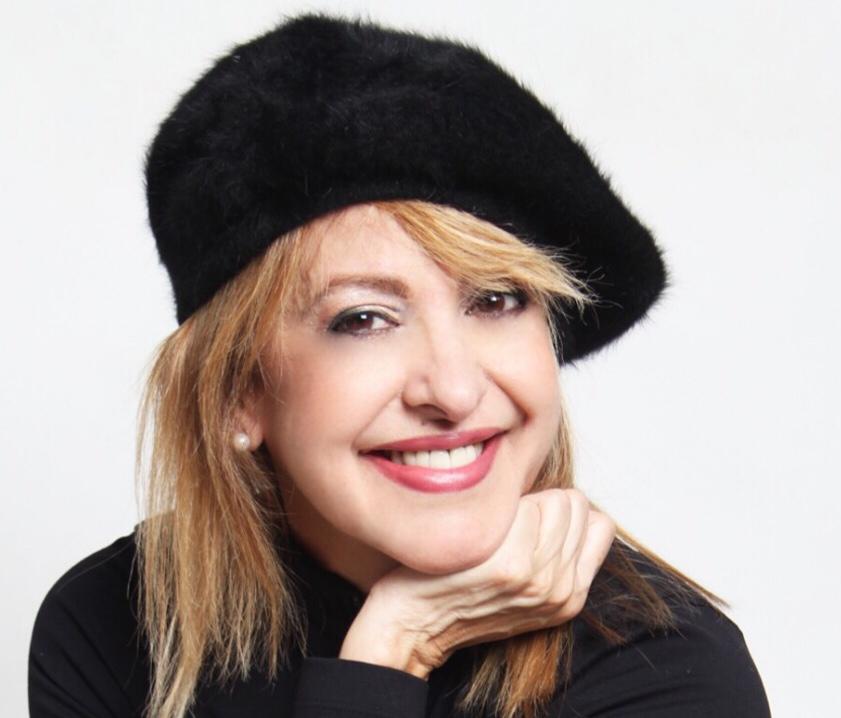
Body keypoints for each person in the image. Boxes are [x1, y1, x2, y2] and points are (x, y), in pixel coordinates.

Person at [28, 13, 771, 718]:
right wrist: (391, 650)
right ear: (237, 394)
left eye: (496, 300)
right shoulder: (111, 627)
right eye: (364, 319)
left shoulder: (664, 671)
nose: (455, 389)